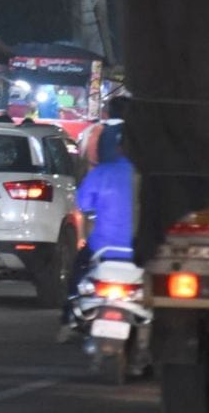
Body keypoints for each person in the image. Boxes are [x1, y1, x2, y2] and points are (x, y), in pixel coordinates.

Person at [58, 122, 135, 341]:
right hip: (139, 248)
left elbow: (83, 204)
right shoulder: (147, 177)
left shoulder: (101, 173)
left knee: (77, 273)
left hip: (102, 247)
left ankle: (67, 320)